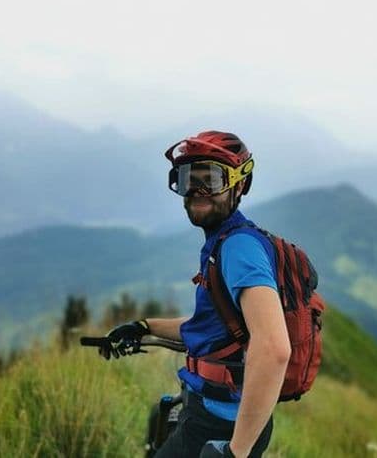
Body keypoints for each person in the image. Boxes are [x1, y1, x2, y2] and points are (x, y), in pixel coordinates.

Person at [99, 131, 290, 458]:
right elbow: (214, 330)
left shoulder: (239, 248)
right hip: (213, 413)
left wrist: (235, 453)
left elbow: (274, 348)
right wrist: (145, 327)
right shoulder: (225, 242)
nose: (197, 191)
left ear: (240, 184)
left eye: (211, 179)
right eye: (189, 179)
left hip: (218, 424)